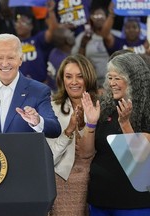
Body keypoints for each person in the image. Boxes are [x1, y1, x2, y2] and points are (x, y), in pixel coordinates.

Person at [81, 52, 150, 215]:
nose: (112, 83)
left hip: (135, 202)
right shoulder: (104, 108)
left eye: (117, 78)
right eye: (110, 77)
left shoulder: (146, 111)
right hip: (101, 198)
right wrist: (90, 122)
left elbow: (142, 159)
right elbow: (85, 153)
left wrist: (125, 124)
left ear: (133, 79)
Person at [46, 54, 98, 216]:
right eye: (68, 77)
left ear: (88, 78)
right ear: (62, 80)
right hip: (63, 180)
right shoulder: (51, 108)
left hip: (98, 179)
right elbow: (50, 158)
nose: (73, 82)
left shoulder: (101, 106)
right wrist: (69, 129)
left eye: (79, 77)